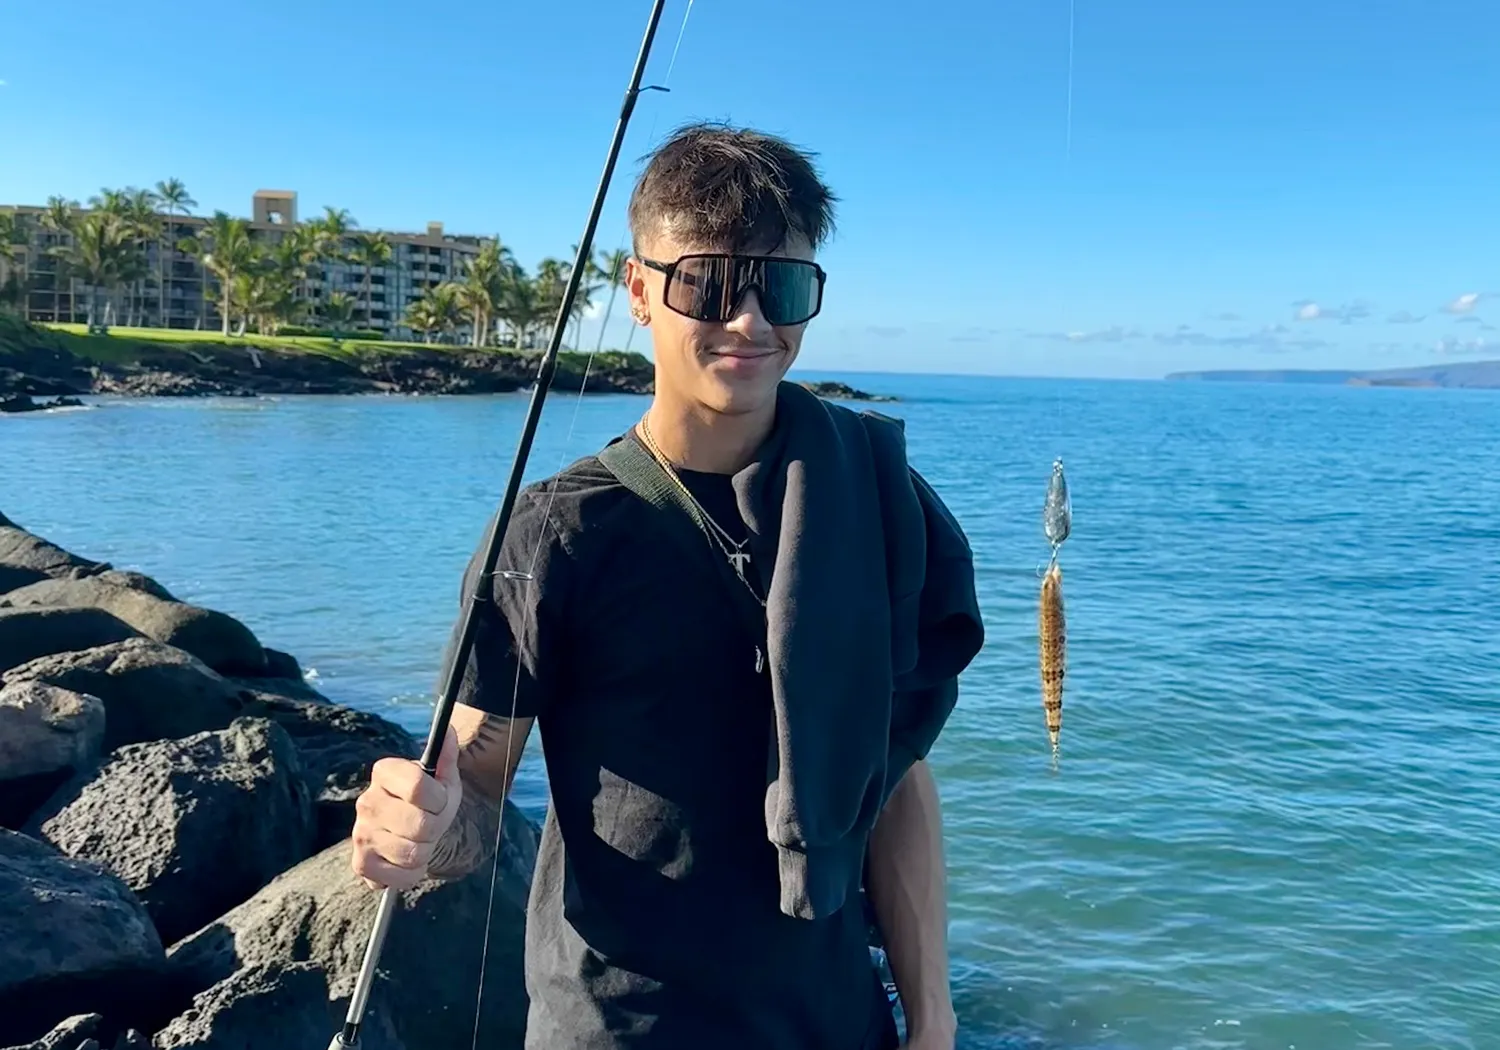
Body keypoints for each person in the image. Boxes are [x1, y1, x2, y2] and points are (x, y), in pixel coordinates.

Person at [350, 121, 983, 1050]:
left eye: (783, 284)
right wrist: (418, 830)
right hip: (620, 1028)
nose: (751, 321)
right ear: (640, 291)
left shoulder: (881, 500)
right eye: (710, 284)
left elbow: (894, 773)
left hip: (835, 1023)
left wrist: (932, 1016)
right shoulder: (557, 530)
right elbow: (476, 792)